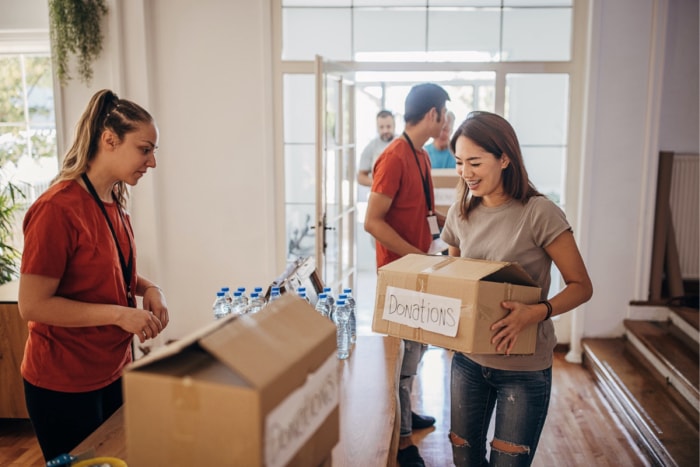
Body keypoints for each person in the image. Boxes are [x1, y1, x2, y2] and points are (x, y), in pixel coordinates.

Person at [18, 89, 169, 461]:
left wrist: (150, 288)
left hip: (113, 370)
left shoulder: (113, 202)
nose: (151, 162)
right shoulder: (56, 209)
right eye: (144, 149)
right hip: (64, 382)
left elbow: (109, 269)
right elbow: (33, 305)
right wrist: (120, 314)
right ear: (109, 140)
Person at [440, 111, 593, 466]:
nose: (465, 173)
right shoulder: (460, 212)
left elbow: (582, 286)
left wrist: (537, 312)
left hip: (523, 369)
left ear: (505, 158)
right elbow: (455, 278)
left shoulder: (540, 213)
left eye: (475, 162)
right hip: (468, 363)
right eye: (460, 162)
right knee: (464, 460)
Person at [364, 83, 451, 467]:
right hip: (400, 275)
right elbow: (372, 222)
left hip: (418, 270)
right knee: (401, 361)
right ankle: (401, 443)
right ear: (432, 114)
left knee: (415, 353)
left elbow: (425, 214)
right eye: (445, 113)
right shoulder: (395, 156)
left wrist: (462, 224)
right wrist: (417, 255)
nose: (447, 119)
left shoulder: (421, 155)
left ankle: (406, 417)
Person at [357, 109, 396, 187]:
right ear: (377, 128)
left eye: (388, 127)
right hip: (379, 194)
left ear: (394, 126)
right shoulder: (371, 147)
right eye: (381, 127)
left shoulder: (403, 143)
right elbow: (360, 177)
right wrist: (380, 184)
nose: (385, 131)